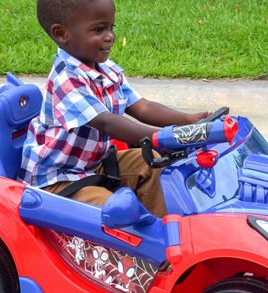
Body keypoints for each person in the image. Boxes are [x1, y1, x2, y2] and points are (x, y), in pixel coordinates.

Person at [18, 0, 210, 217]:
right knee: (115, 209)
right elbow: (107, 122)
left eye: (111, 27)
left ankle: (164, 227)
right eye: (99, 29)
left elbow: (142, 107)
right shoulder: (66, 79)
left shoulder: (107, 69)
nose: (111, 36)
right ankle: (135, 242)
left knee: (151, 163)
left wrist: (188, 121)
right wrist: (164, 136)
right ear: (62, 34)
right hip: (57, 181)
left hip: (94, 166)